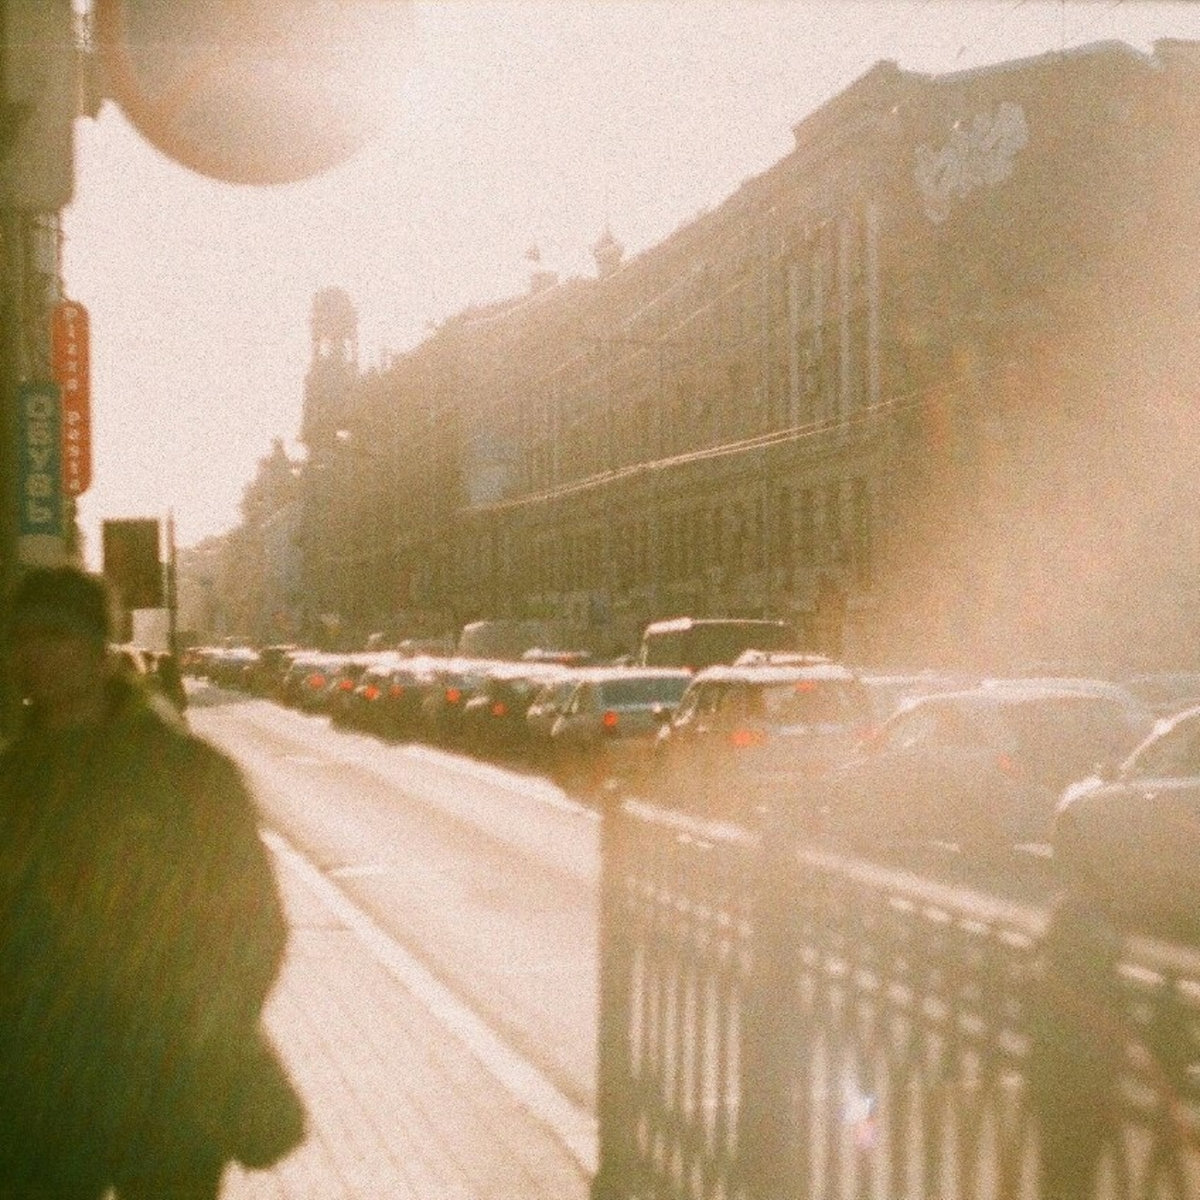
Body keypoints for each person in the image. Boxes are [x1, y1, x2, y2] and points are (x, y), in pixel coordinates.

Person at [0, 565, 305, 1199]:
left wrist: (208, 1029)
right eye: (20, 638)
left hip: (167, 1086)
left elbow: (254, 922)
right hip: (40, 1093)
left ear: (97, 648)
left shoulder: (185, 773)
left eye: (53, 635)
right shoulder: (13, 781)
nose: (33, 654)